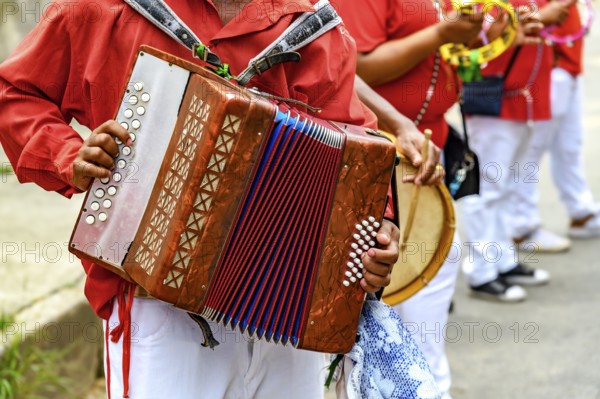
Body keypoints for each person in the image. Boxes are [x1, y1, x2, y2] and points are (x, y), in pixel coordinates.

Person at [0, 1, 401, 398]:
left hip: (291, 311)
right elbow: (15, 91)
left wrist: (377, 229)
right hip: (155, 305)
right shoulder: (105, 10)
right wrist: (67, 155)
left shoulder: (312, 25)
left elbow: (360, 151)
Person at [337, 1, 485, 397]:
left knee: (422, 325)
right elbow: (355, 66)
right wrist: (441, 34)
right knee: (384, 334)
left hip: (422, 161)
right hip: (376, 162)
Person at [460, 0, 576, 302]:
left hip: (523, 99)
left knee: (507, 186)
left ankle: (503, 261)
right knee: (487, 187)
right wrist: (540, 17)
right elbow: (472, 35)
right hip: (495, 99)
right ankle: (482, 272)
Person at [511, 3, 600, 253]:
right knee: (529, 150)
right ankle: (522, 226)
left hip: (568, 67)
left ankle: (582, 212)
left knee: (570, 146)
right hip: (546, 70)